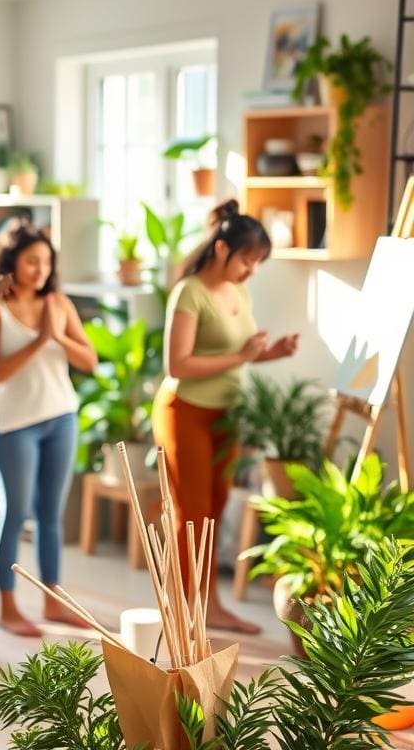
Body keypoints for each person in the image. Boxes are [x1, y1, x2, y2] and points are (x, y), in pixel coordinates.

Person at [152, 198, 299, 635]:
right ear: (222, 249)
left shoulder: (239, 291)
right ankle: (188, 613)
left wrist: (271, 353)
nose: (252, 270)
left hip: (225, 416)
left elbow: (238, 355)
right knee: (191, 514)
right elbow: (177, 365)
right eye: (247, 260)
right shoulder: (189, 292)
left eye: (257, 263)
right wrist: (241, 355)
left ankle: (207, 606)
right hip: (185, 413)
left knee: (212, 511)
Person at [0, 225, 97, 636]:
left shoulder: (59, 304)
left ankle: (53, 601)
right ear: (11, 262)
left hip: (61, 417)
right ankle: (8, 608)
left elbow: (89, 361)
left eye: (46, 261)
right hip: (14, 425)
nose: (41, 269)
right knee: (14, 514)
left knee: (50, 515)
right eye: (32, 261)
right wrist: (39, 341)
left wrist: (56, 335)